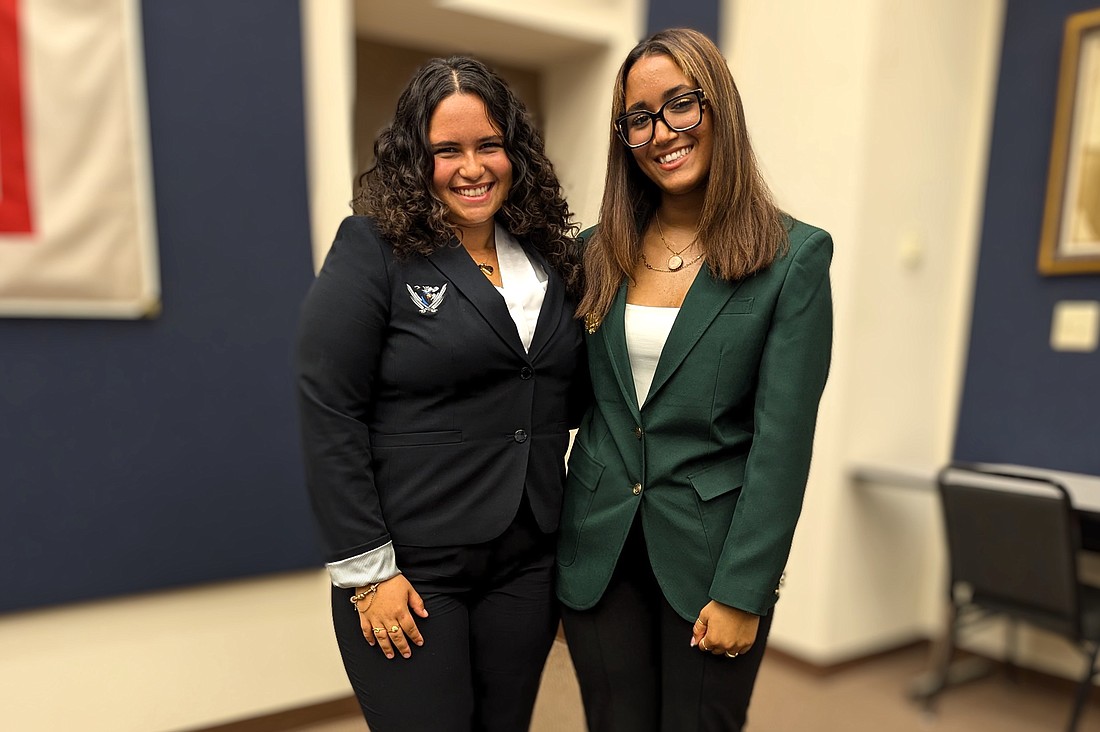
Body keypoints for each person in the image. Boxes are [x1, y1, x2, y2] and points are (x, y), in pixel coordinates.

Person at [295, 56, 586, 732]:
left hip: (527, 556)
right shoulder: (373, 249)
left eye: (489, 145)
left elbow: (559, 392)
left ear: (515, 152)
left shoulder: (547, 257)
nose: (472, 167)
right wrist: (367, 574)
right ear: (413, 160)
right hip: (413, 568)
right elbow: (328, 405)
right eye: (446, 150)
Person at [556, 28, 833, 732]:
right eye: (639, 118)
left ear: (720, 107)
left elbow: (782, 443)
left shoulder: (792, 258)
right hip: (600, 548)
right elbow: (570, 399)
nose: (662, 132)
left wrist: (746, 589)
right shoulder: (595, 252)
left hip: (712, 558)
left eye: (681, 104)